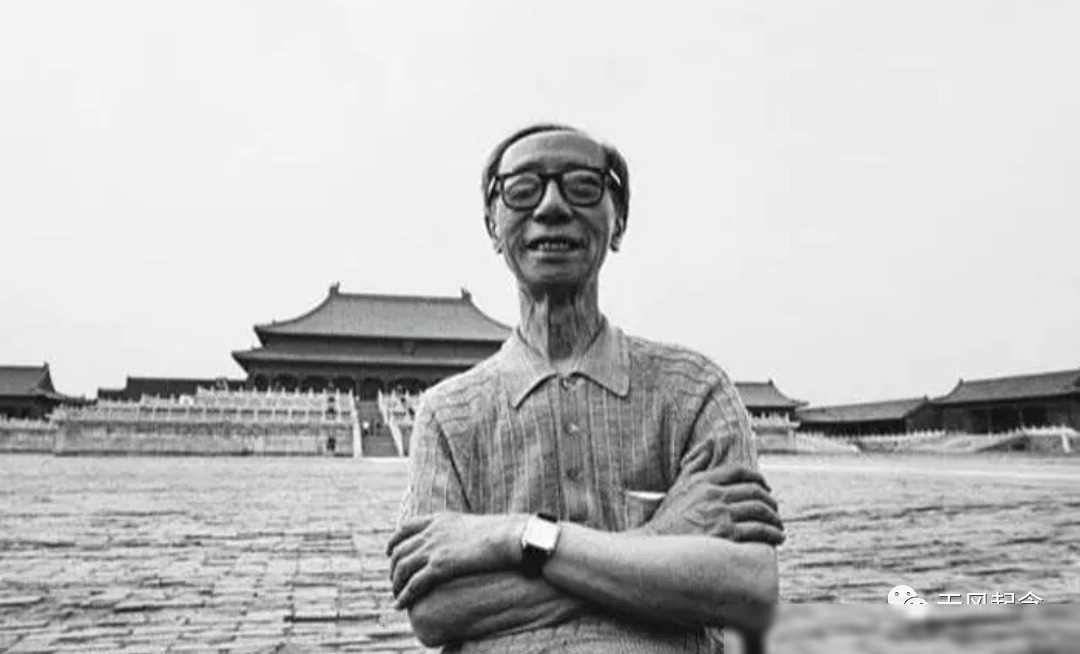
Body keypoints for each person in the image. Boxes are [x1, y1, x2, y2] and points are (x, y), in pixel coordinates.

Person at [387, 123, 784, 653]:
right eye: (522, 189)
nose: (551, 206)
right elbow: (435, 611)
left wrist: (513, 536)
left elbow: (747, 587)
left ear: (618, 222)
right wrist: (657, 546)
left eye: (582, 186)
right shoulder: (448, 414)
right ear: (492, 226)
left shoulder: (694, 391)